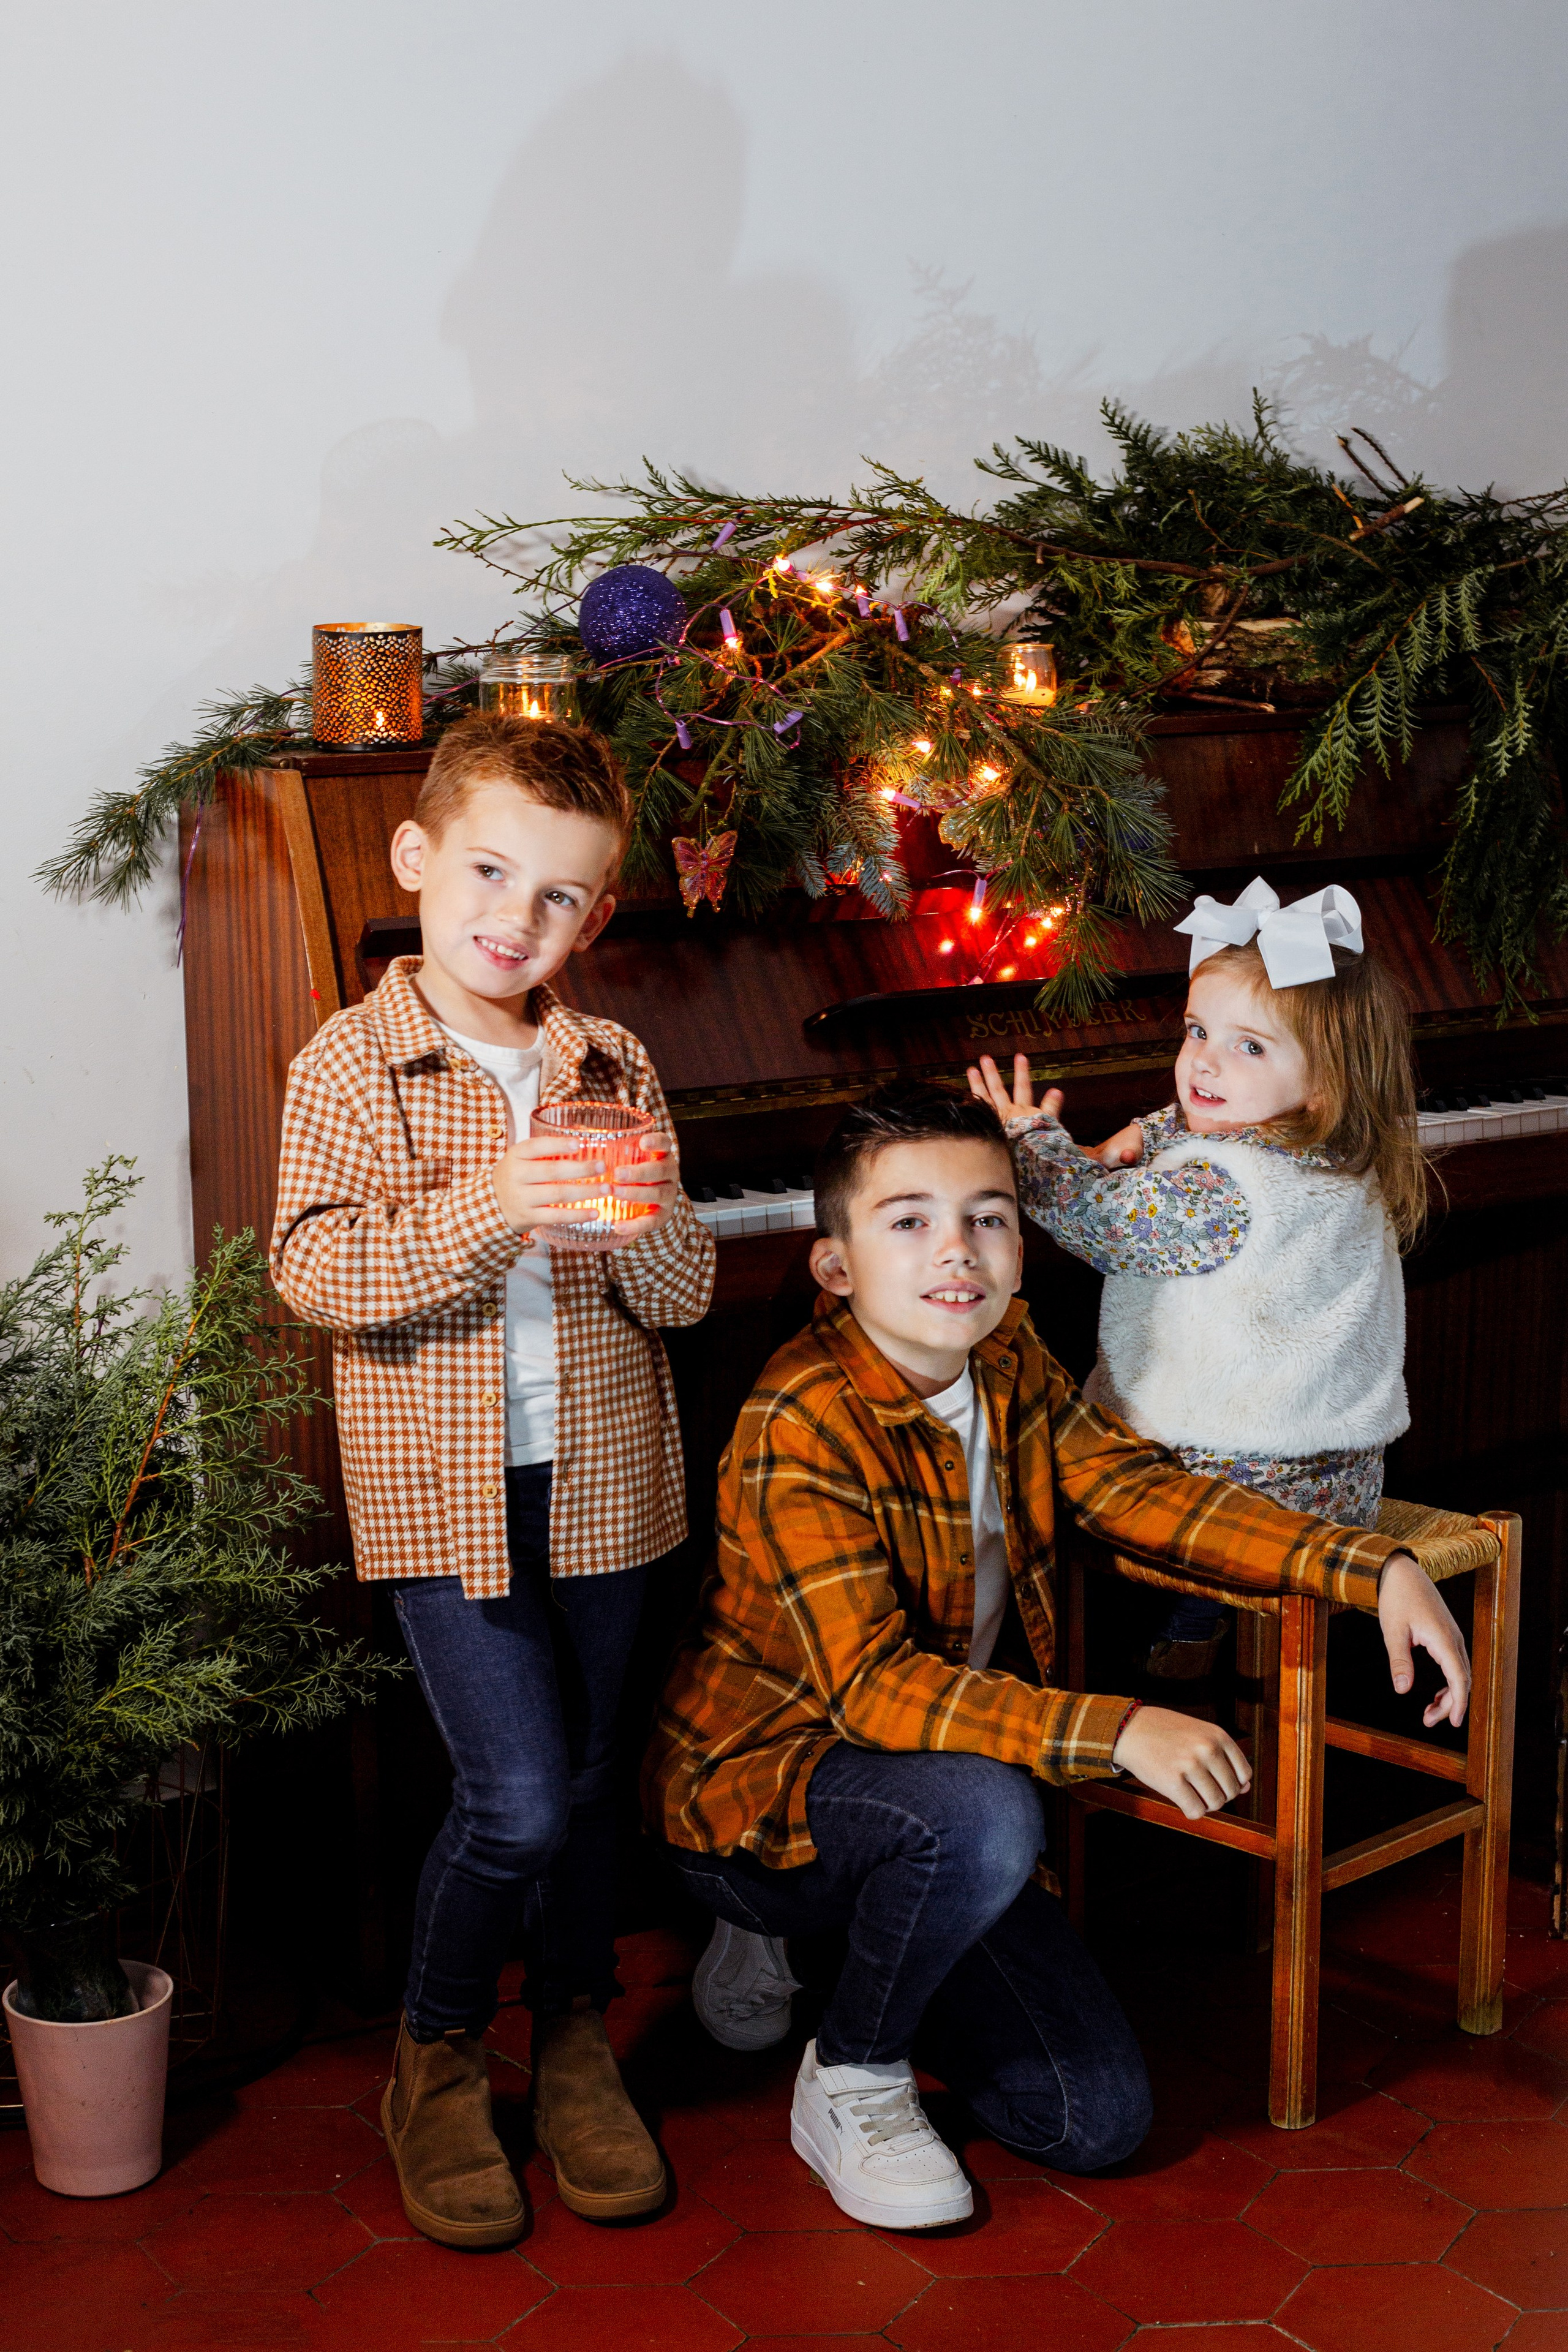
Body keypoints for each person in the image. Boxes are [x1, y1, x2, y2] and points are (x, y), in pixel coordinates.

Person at [643, 1082, 1468, 2232]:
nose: (957, 1250)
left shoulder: (1009, 1357)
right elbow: (874, 1691)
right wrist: (1118, 1727)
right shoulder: (801, 1419)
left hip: (937, 1790)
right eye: (910, 1221)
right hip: (767, 1790)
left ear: (1021, 1245)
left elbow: (1134, 1491)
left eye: (987, 1216)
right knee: (987, 1814)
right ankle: (850, 2067)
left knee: (1092, 2118)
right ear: (836, 1266)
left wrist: (1367, 1566)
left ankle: (860, 1937)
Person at [271, 714, 714, 2248]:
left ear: (593, 916)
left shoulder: (612, 1060)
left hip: (605, 1485)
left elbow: (682, 1296)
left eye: (557, 897)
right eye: (487, 872)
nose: (514, 918)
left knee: (587, 1787)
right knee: (515, 1800)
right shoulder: (351, 1062)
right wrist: (495, 1205)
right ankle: (440, 2050)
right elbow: (316, 1273)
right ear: (415, 856)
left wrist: (635, 1222)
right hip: (441, 1498)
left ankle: (575, 2037)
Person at [971, 876, 1418, 1681]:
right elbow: (1199, 1123)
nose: (1205, 1061)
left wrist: (1030, 1141)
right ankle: (1185, 1635)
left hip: (1232, 1489)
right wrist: (1144, 1136)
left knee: (1030, 1458)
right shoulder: (1337, 1146)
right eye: (1197, 1031)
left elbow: (1100, 1222)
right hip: (1340, 1478)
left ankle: (1106, 1664)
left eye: (1250, 1047)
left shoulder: (1223, 1194)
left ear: (1324, 1079)